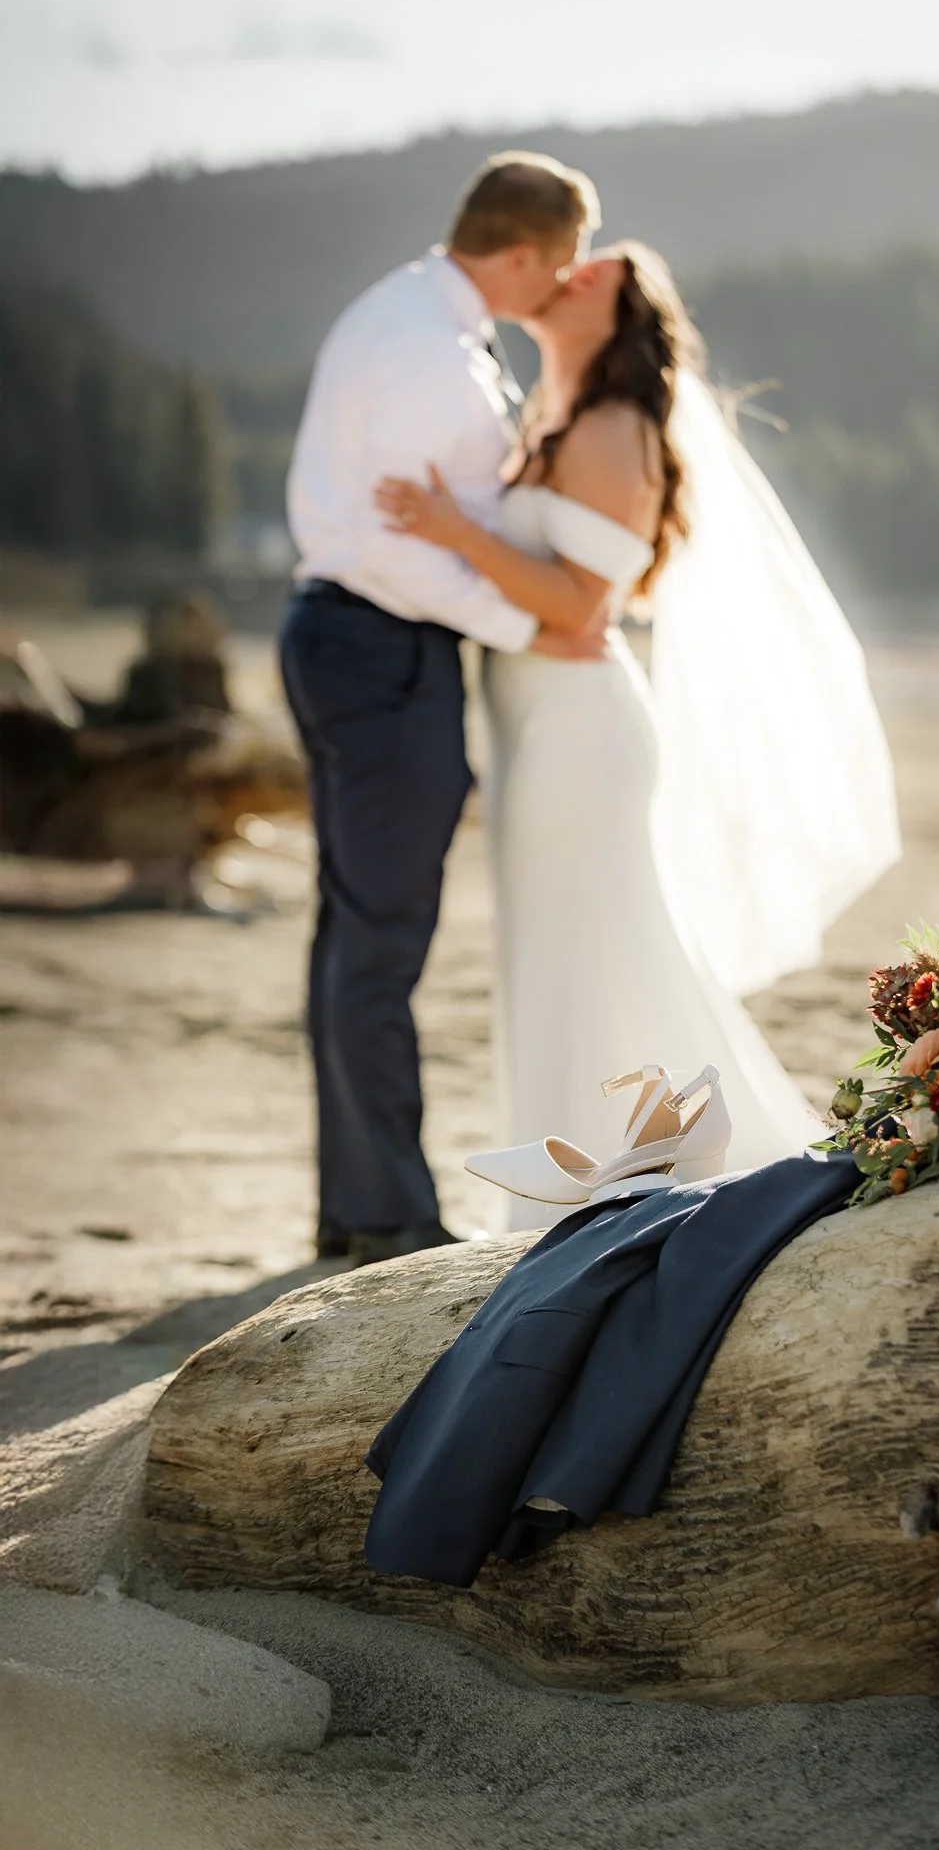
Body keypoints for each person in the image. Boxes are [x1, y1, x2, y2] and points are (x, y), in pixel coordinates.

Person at [375, 242, 902, 1228]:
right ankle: (597, 1185)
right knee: (571, 954)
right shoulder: (557, 418)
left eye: (591, 276)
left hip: (579, 733)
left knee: (599, 952)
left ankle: (642, 1184)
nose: (567, 273)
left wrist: (454, 527)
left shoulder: (615, 427)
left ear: (619, 320)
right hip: (543, 727)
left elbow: (580, 608)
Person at [280, 151, 604, 1265]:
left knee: (356, 929)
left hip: (358, 641)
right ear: (520, 252)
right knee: (379, 938)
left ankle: (356, 1202)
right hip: (380, 644)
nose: (559, 286)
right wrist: (536, 627)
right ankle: (385, 1214)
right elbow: (392, 544)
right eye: (557, 265)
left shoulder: (417, 314)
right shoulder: (423, 347)